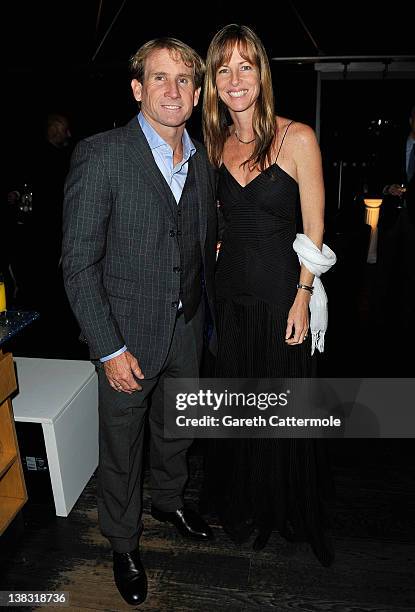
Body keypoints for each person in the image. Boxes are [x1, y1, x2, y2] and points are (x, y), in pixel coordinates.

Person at [62, 38, 217, 606]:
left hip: (185, 328)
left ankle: (170, 500)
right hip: (125, 335)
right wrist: (107, 349)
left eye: (183, 80)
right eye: (159, 78)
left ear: (197, 95)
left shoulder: (201, 161)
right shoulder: (101, 154)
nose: (172, 90)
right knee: (122, 446)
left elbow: (200, 243)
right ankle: (122, 542)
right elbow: (78, 265)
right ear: (137, 89)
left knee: (177, 426)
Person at [201, 24, 336, 566]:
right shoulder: (213, 143)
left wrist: (303, 295)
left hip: (282, 297)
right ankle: (243, 501)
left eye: (245, 66)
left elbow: (315, 230)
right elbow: (216, 221)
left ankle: (279, 507)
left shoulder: (297, 137)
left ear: (262, 73)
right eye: (223, 69)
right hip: (228, 298)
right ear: (213, 82)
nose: (235, 79)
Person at [374, 104, 415, 350]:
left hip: (414, 219)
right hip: (392, 217)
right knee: (385, 270)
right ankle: (381, 325)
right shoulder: (392, 145)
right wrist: (387, 188)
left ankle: (407, 325)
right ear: (411, 119)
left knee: (411, 273)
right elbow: (377, 174)